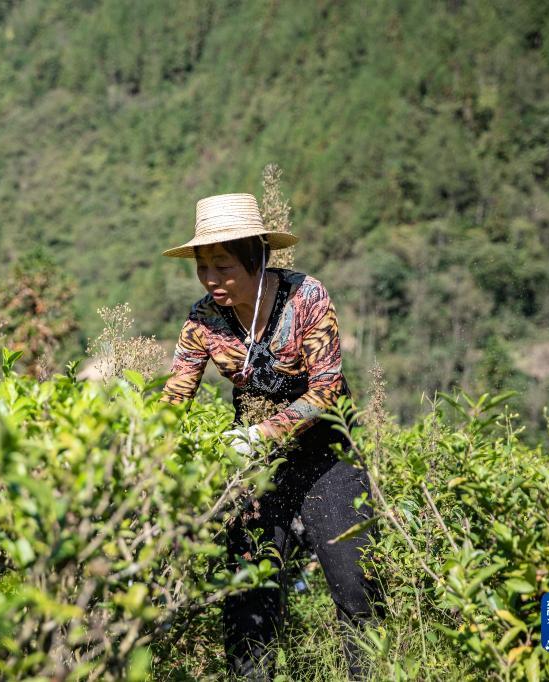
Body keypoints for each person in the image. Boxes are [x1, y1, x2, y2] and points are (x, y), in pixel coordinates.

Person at [159, 193, 383, 680]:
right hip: (256, 465)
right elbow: (174, 398)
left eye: (224, 266)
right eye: (203, 267)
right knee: (247, 593)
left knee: (355, 582)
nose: (212, 278)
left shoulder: (307, 299)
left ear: (256, 259)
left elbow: (327, 389)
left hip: (328, 455)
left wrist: (265, 430)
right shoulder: (203, 320)